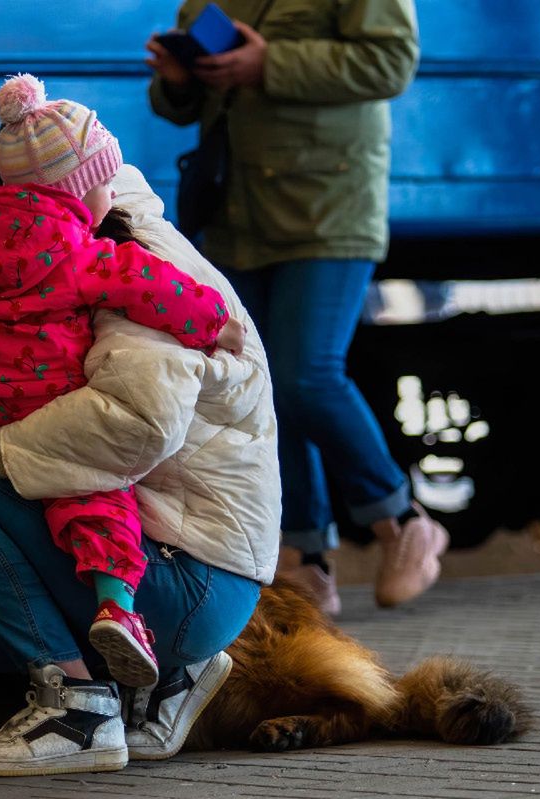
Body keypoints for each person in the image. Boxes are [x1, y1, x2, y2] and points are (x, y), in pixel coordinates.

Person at [0, 149, 280, 776]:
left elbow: (139, 428)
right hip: (169, 549)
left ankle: (80, 710)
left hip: (192, 571)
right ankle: (154, 675)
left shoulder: (134, 270)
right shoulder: (85, 245)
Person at [0, 74, 243, 690]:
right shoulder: (81, 251)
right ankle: (118, 611)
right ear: (79, 189)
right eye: (102, 180)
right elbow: (149, 290)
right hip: (44, 398)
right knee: (92, 495)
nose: (112, 191)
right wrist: (214, 320)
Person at [146, 0, 446, 615]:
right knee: (260, 385)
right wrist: (179, 84)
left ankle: (404, 520)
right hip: (238, 213)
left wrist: (270, 62)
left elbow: (391, 60)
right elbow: (190, 108)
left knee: (308, 374)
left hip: (329, 204)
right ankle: (305, 558)